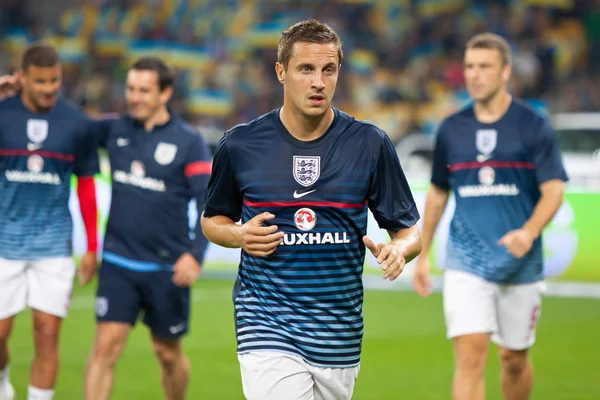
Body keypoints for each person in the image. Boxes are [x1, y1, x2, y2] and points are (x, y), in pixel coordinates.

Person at [201, 19, 422, 400]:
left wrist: (398, 251)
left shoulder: (369, 144)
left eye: (328, 70)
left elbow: (408, 231)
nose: (318, 81)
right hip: (265, 319)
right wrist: (239, 234)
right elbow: (212, 221)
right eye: (306, 69)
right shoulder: (240, 145)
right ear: (281, 72)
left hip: (338, 330)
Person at [413, 33, 568, 400]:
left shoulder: (533, 125)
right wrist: (422, 252)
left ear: (505, 72)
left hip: (520, 264)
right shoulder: (451, 129)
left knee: (513, 358)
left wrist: (528, 233)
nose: (474, 75)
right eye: (469, 66)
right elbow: (438, 192)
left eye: (484, 67)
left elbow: (554, 190)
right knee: (469, 357)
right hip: (466, 261)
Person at [82, 57, 212, 400]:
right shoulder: (113, 128)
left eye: (143, 90)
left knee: (167, 353)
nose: (134, 97)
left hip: (167, 267)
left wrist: (195, 255)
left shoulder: (189, 141)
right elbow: (68, 128)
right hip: (118, 261)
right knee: (105, 348)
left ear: (165, 93)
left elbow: (208, 205)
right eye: (130, 89)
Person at [0, 43, 99, 400]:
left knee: (47, 333)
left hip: (53, 247)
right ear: (23, 78)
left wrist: (90, 248)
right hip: (4, 245)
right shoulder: (2, 113)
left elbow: (86, 187)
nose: (48, 88)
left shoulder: (77, 123)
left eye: (54, 80)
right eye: (39, 81)